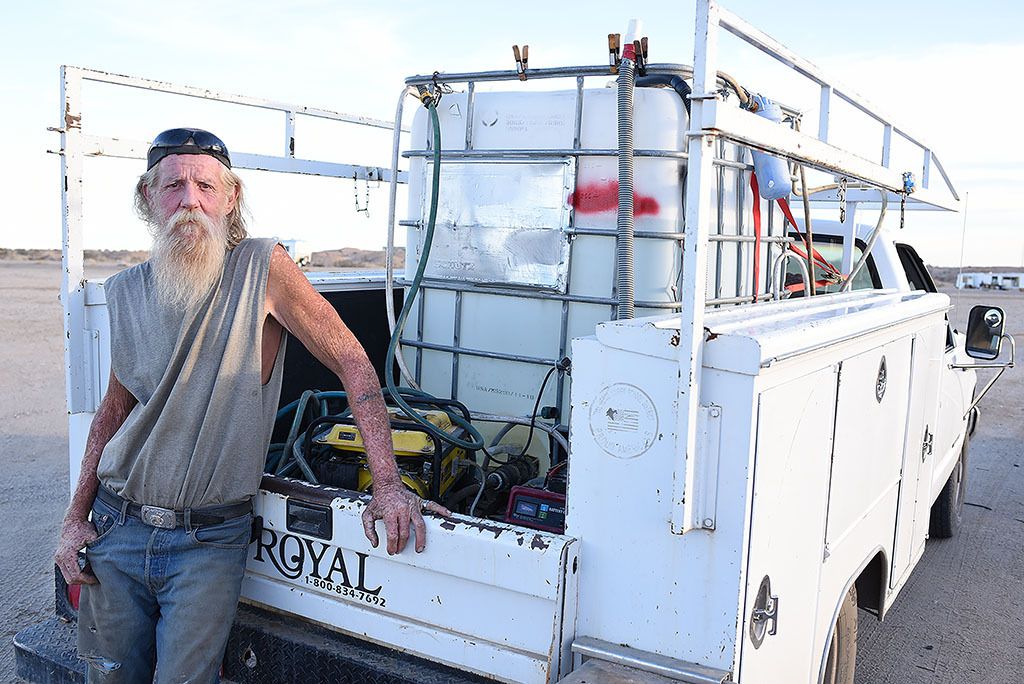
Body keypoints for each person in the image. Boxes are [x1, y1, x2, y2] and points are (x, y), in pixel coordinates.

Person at [52, 128, 447, 683]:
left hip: (206, 544)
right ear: (148, 198)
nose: (189, 199)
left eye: (205, 186)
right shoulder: (127, 291)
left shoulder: (262, 269)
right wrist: (75, 519)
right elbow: (114, 413)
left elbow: (352, 362)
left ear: (230, 197)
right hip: (117, 529)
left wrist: (386, 483)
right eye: (173, 186)